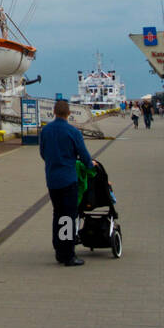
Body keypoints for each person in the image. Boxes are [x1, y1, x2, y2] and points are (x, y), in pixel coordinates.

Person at [39, 99, 94, 266]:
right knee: (69, 216)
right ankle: (68, 254)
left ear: (54, 112)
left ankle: (59, 249)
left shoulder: (46, 130)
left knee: (58, 213)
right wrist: (90, 166)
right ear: (68, 113)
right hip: (68, 179)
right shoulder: (73, 132)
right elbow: (83, 154)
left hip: (52, 179)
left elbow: (43, 153)